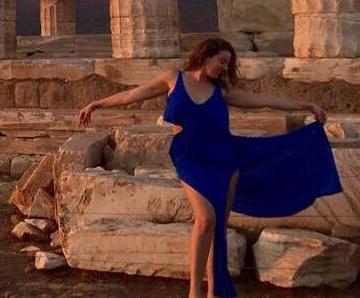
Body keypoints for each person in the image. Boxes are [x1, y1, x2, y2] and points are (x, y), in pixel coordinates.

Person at [77, 38, 341, 298]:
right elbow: (132, 95)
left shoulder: (222, 91)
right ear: (205, 56)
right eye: (222, 61)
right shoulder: (174, 79)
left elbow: (262, 100)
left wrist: (305, 105)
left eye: (228, 63)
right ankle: (195, 290)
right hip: (189, 156)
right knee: (205, 220)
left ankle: (215, 291)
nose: (225, 68)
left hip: (225, 158)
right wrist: (96, 104)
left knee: (218, 228)